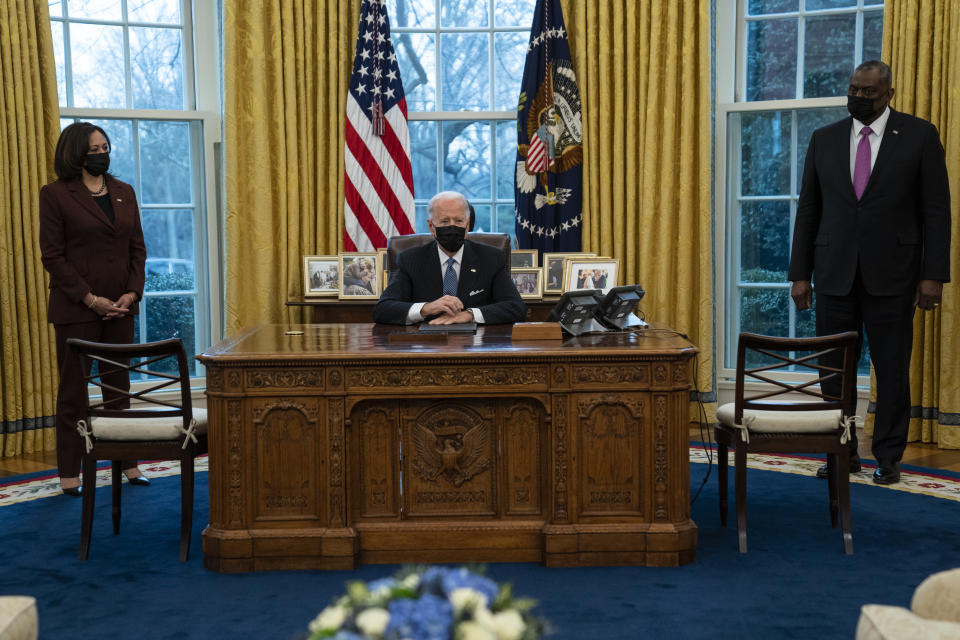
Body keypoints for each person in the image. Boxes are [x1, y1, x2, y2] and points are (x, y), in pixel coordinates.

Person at [788, 60, 951, 485]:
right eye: (854, 89)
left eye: (868, 92)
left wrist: (932, 275)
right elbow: (809, 210)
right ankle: (839, 452)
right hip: (834, 274)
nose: (858, 97)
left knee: (892, 368)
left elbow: (936, 211)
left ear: (888, 95)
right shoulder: (823, 139)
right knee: (833, 370)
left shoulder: (919, 135)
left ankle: (889, 457)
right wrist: (799, 273)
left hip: (895, 276)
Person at [39, 122, 150, 496]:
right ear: (76, 153)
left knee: (119, 390)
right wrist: (90, 298)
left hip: (121, 308)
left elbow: (137, 248)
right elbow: (52, 256)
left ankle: (128, 465)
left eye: (105, 147)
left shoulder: (124, 192)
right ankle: (70, 474)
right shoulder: (55, 194)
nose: (102, 154)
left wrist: (131, 294)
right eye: (95, 149)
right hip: (77, 310)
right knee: (74, 393)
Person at [373, 191, 526, 325]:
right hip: (426, 345)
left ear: (467, 225)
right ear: (431, 226)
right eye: (445, 221)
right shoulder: (411, 259)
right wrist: (426, 308)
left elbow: (516, 307)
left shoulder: (491, 258)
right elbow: (383, 309)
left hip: (475, 345)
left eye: (459, 221)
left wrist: (469, 315)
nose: (452, 227)